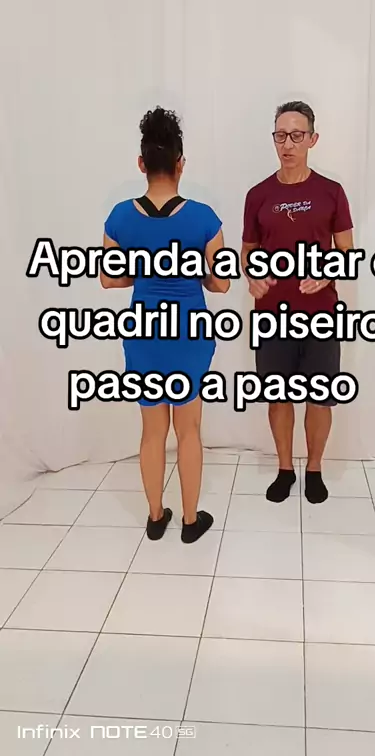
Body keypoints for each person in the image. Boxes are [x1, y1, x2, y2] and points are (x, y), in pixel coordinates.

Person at [101, 107, 229, 542]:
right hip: (189, 334)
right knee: (188, 430)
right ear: (180, 163)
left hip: (144, 335)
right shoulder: (204, 218)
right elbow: (221, 284)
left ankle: (156, 516)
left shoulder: (120, 217)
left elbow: (108, 278)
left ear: (142, 163)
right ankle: (191, 521)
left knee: (152, 431)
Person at [241, 101, 354, 504]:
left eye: (296, 135)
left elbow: (347, 252)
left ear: (312, 139)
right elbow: (247, 252)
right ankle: (285, 468)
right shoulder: (258, 195)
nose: (287, 144)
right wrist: (252, 277)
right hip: (272, 315)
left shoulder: (331, 192)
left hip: (321, 315)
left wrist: (328, 272)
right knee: (279, 396)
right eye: (280, 136)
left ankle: (315, 468)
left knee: (320, 396)